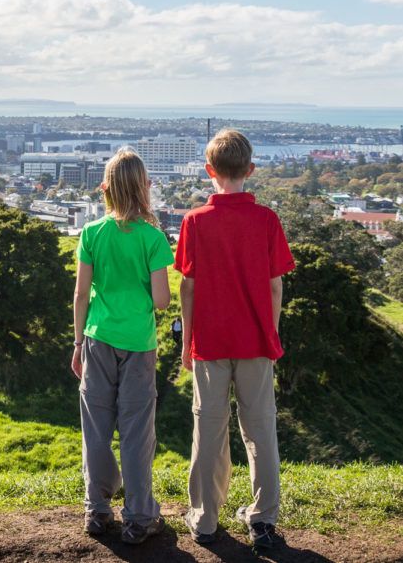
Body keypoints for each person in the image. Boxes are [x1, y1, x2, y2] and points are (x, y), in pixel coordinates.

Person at [175, 129, 295, 550]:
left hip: (209, 340)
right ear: (251, 170)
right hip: (256, 341)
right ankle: (263, 519)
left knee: (208, 429)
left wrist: (187, 340)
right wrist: (272, 333)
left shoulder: (194, 221)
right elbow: (275, 286)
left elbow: (187, 288)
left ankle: (205, 518)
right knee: (260, 430)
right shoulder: (266, 220)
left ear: (209, 171)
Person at [72, 147, 173, 545]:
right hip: (139, 344)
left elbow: (81, 294)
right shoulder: (152, 237)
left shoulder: (91, 233)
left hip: (96, 339)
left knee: (96, 429)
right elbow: (163, 300)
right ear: (144, 189)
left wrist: (78, 342)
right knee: (136, 431)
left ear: (105, 189)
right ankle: (138, 517)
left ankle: (97, 511)